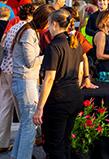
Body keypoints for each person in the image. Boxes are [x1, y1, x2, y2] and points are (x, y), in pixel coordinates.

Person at [33, 8, 97, 159]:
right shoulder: (75, 44)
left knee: (54, 145)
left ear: (54, 24)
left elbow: (49, 79)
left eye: (49, 24)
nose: (48, 28)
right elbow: (80, 72)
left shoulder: (54, 46)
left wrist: (39, 108)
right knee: (66, 141)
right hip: (74, 96)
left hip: (58, 100)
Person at [0, 3, 35, 154]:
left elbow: (4, 45)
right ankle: (29, 139)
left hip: (5, 68)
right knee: (25, 109)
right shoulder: (28, 30)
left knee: (3, 106)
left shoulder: (13, 27)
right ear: (30, 16)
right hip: (17, 70)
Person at [10, 4, 54, 159]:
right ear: (44, 20)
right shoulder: (29, 32)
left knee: (25, 123)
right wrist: (50, 54)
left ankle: (17, 156)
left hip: (24, 80)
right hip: (25, 81)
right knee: (30, 124)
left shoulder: (29, 30)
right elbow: (30, 62)